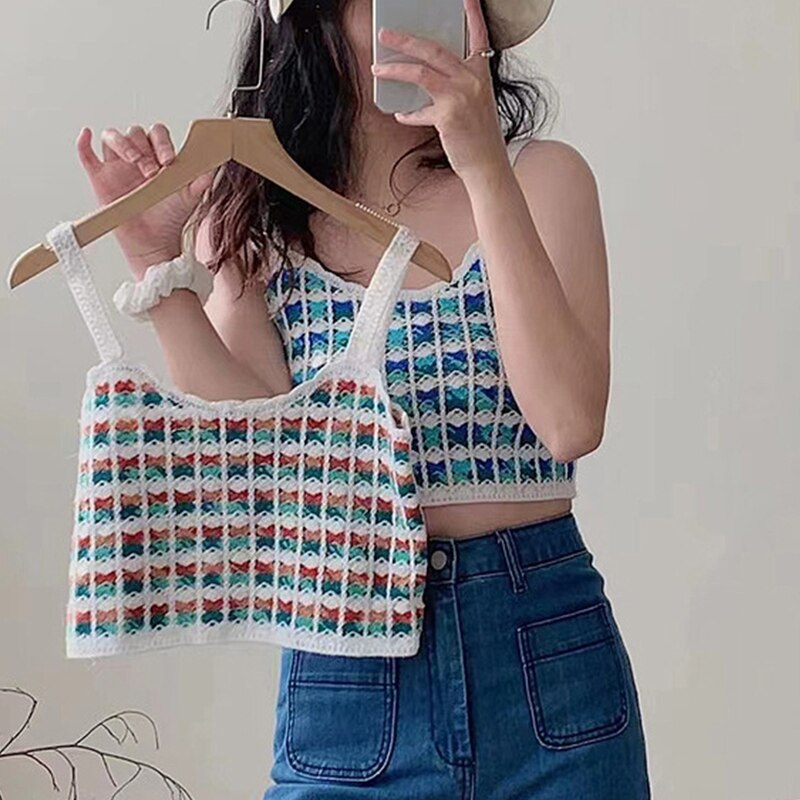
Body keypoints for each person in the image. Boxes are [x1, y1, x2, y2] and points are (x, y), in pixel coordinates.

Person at [75, 0, 651, 796]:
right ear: (314, 17)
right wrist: (156, 266)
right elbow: (259, 466)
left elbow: (570, 421)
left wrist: (482, 163)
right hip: (350, 668)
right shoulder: (260, 216)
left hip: (545, 655)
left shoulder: (542, 178)